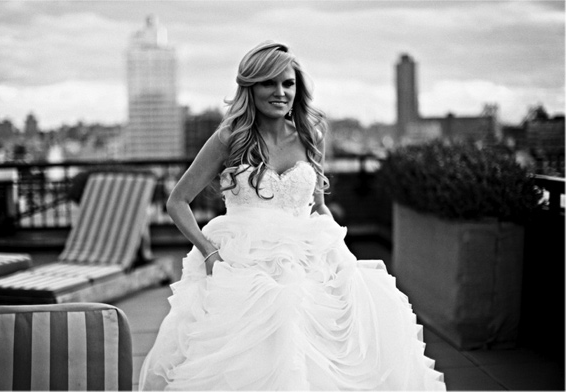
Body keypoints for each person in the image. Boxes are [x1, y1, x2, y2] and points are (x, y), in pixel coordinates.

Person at [139, 41, 446, 391]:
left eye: (288, 83)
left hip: (305, 256)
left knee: (339, 339)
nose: (280, 92)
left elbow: (318, 205)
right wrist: (209, 253)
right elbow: (177, 201)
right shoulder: (229, 138)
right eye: (269, 83)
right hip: (242, 261)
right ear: (250, 88)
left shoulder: (310, 134)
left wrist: (337, 253)